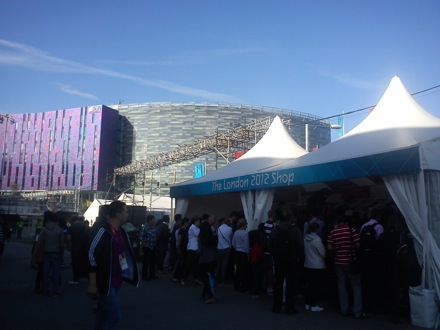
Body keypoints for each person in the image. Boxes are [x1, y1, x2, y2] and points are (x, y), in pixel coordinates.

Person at [87, 201, 140, 330]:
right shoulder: (103, 231)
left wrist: (125, 272)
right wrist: (93, 284)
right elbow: (91, 255)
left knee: (103, 314)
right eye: (125, 211)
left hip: (117, 279)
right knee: (115, 316)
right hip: (105, 281)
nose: (127, 214)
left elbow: (121, 253)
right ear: (117, 214)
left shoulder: (121, 232)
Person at [327, 213, 365, 319]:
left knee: (341, 286)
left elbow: (329, 247)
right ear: (346, 222)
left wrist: (338, 249)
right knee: (356, 286)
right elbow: (358, 245)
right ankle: (357, 312)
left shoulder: (333, 232)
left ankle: (344, 310)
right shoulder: (352, 230)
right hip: (351, 261)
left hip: (338, 261)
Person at [269, 212, 303, 314]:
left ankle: (276, 307)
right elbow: (300, 245)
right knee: (290, 284)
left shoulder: (275, 229)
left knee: (278, 283)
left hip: (278, 259)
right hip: (291, 260)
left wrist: (274, 255)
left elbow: (269, 243)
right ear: (290, 219)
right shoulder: (295, 230)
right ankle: (289, 307)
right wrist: (299, 258)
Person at [38, 211, 65, 297]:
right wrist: (61, 252)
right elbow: (61, 244)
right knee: (56, 273)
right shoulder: (59, 230)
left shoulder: (44, 230)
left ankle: (45, 290)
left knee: (46, 272)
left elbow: (40, 243)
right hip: (56, 252)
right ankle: (55, 291)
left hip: (46, 252)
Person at [303, 221, 326, 312]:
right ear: (317, 229)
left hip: (308, 263)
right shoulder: (317, 239)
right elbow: (322, 252)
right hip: (317, 265)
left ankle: (308, 303)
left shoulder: (305, 238)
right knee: (315, 286)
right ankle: (313, 304)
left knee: (309, 285)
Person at [198, 219, 218, 303]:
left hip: (204, 259)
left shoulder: (201, 238)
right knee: (210, 276)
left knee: (205, 278)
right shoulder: (213, 236)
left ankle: (210, 295)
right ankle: (205, 294)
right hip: (213, 258)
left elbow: (200, 250)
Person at [68, 215, 89, 284]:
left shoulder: (72, 227)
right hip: (85, 247)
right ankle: (87, 277)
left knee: (75, 263)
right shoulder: (85, 226)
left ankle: (75, 278)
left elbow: (69, 238)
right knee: (85, 262)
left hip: (75, 246)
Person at [181, 216, 201, 286]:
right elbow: (198, 235)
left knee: (194, 265)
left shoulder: (197, 228)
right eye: (198, 221)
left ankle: (195, 278)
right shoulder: (192, 228)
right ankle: (183, 278)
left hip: (195, 249)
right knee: (188, 264)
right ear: (195, 221)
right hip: (191, 248)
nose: (199, 223)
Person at [232, 218, 250, 292]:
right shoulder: (245, 233)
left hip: (237, 252)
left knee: (238, 269)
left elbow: (233, 243)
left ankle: (236, 285)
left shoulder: (236, 232)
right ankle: (243, 286)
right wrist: (248, 255)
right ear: (245, 224)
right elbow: (246, 246)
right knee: (243, 270)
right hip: (243, 253)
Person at [173, 217, 190, 283]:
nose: (188, 224)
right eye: (188, 223)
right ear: (185, 223)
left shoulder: (185, 230)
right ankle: (176, 276)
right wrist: (178, 248)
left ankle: (179, 276)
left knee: (183, 263)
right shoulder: (182, 230)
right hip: (182, 248)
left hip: (185, 248)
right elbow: (179, 240)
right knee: (180, 262)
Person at [140, 215, 157, 281]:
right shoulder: (145, 227)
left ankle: (152, 275)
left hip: (153, 246)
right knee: (146, 262)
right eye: (153, 219)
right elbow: (141, 238)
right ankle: (145, 276)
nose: (154, 221)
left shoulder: (153, 227)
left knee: (153, 261)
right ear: (150, 220)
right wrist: (145, 245)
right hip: (147, 247)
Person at [216, 218, 232, 284]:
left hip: (219, 247)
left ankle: (217, 277)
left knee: (218, 264)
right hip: (227, 248)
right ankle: (223, 278)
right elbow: (231, 237)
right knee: (224, 264)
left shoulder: (218, 228)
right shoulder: (230, 229)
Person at [249, 229, 264, 298]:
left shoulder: (253, 244)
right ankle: (255, 291)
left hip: (254, 260)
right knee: (256, 277)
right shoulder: (256, 244)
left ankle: (254, 291)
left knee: (255, 276)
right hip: (257, 261)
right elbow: (259, 253)